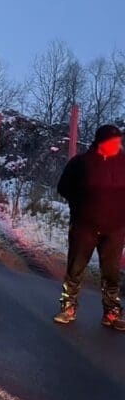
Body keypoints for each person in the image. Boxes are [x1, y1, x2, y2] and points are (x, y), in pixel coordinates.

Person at [54, 124, 125, 330]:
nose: (117, 145)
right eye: (113, 142)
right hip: (84, 227)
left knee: (111, 273)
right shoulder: (81, 163)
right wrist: (80, 205)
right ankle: (68, 308)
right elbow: (63, 187)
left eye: (119, 142)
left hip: (115, 229)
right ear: (101, 142)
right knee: (75, 269)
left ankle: (111, 313)